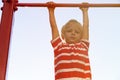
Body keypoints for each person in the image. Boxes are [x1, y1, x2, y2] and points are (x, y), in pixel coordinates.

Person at [47, 2, 92, 80]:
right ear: (63, 34)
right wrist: (51, 11)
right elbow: (53, 27)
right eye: (69, 31)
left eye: (77, 32)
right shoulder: (59, 46)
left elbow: (86, 27)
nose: (73, 33)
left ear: (81, 36)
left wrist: (85, 11)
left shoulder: (83, 46)